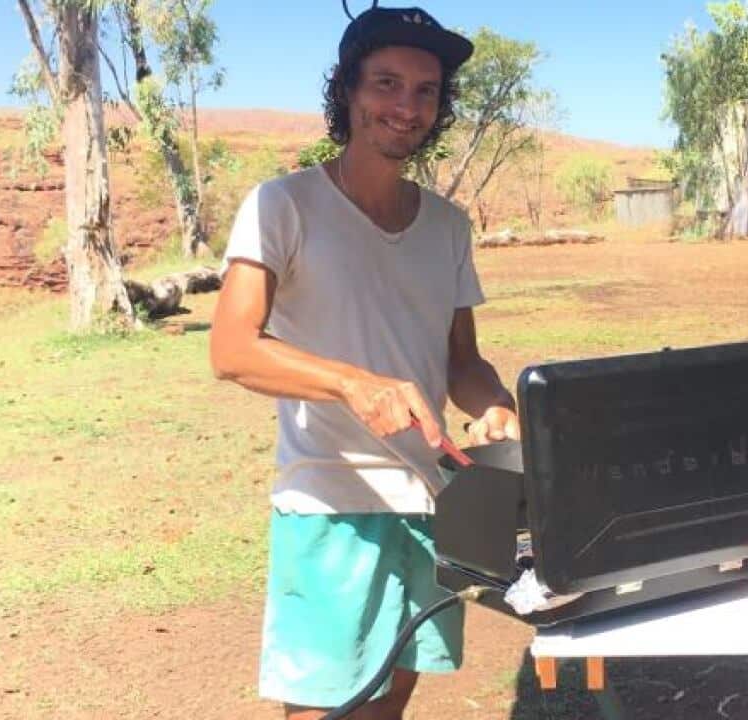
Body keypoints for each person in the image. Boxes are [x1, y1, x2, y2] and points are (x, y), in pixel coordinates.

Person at [208, 6, 520, 719]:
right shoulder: (282, 207)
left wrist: (495, 403)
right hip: (332, 505)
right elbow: (230, 349)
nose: (406, 107)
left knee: (389, 706)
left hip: (433, 504)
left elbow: (460, 360)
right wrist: (350, 383)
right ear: (348, 90)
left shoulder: (447, 225)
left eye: (426, 90)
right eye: (386, 83)